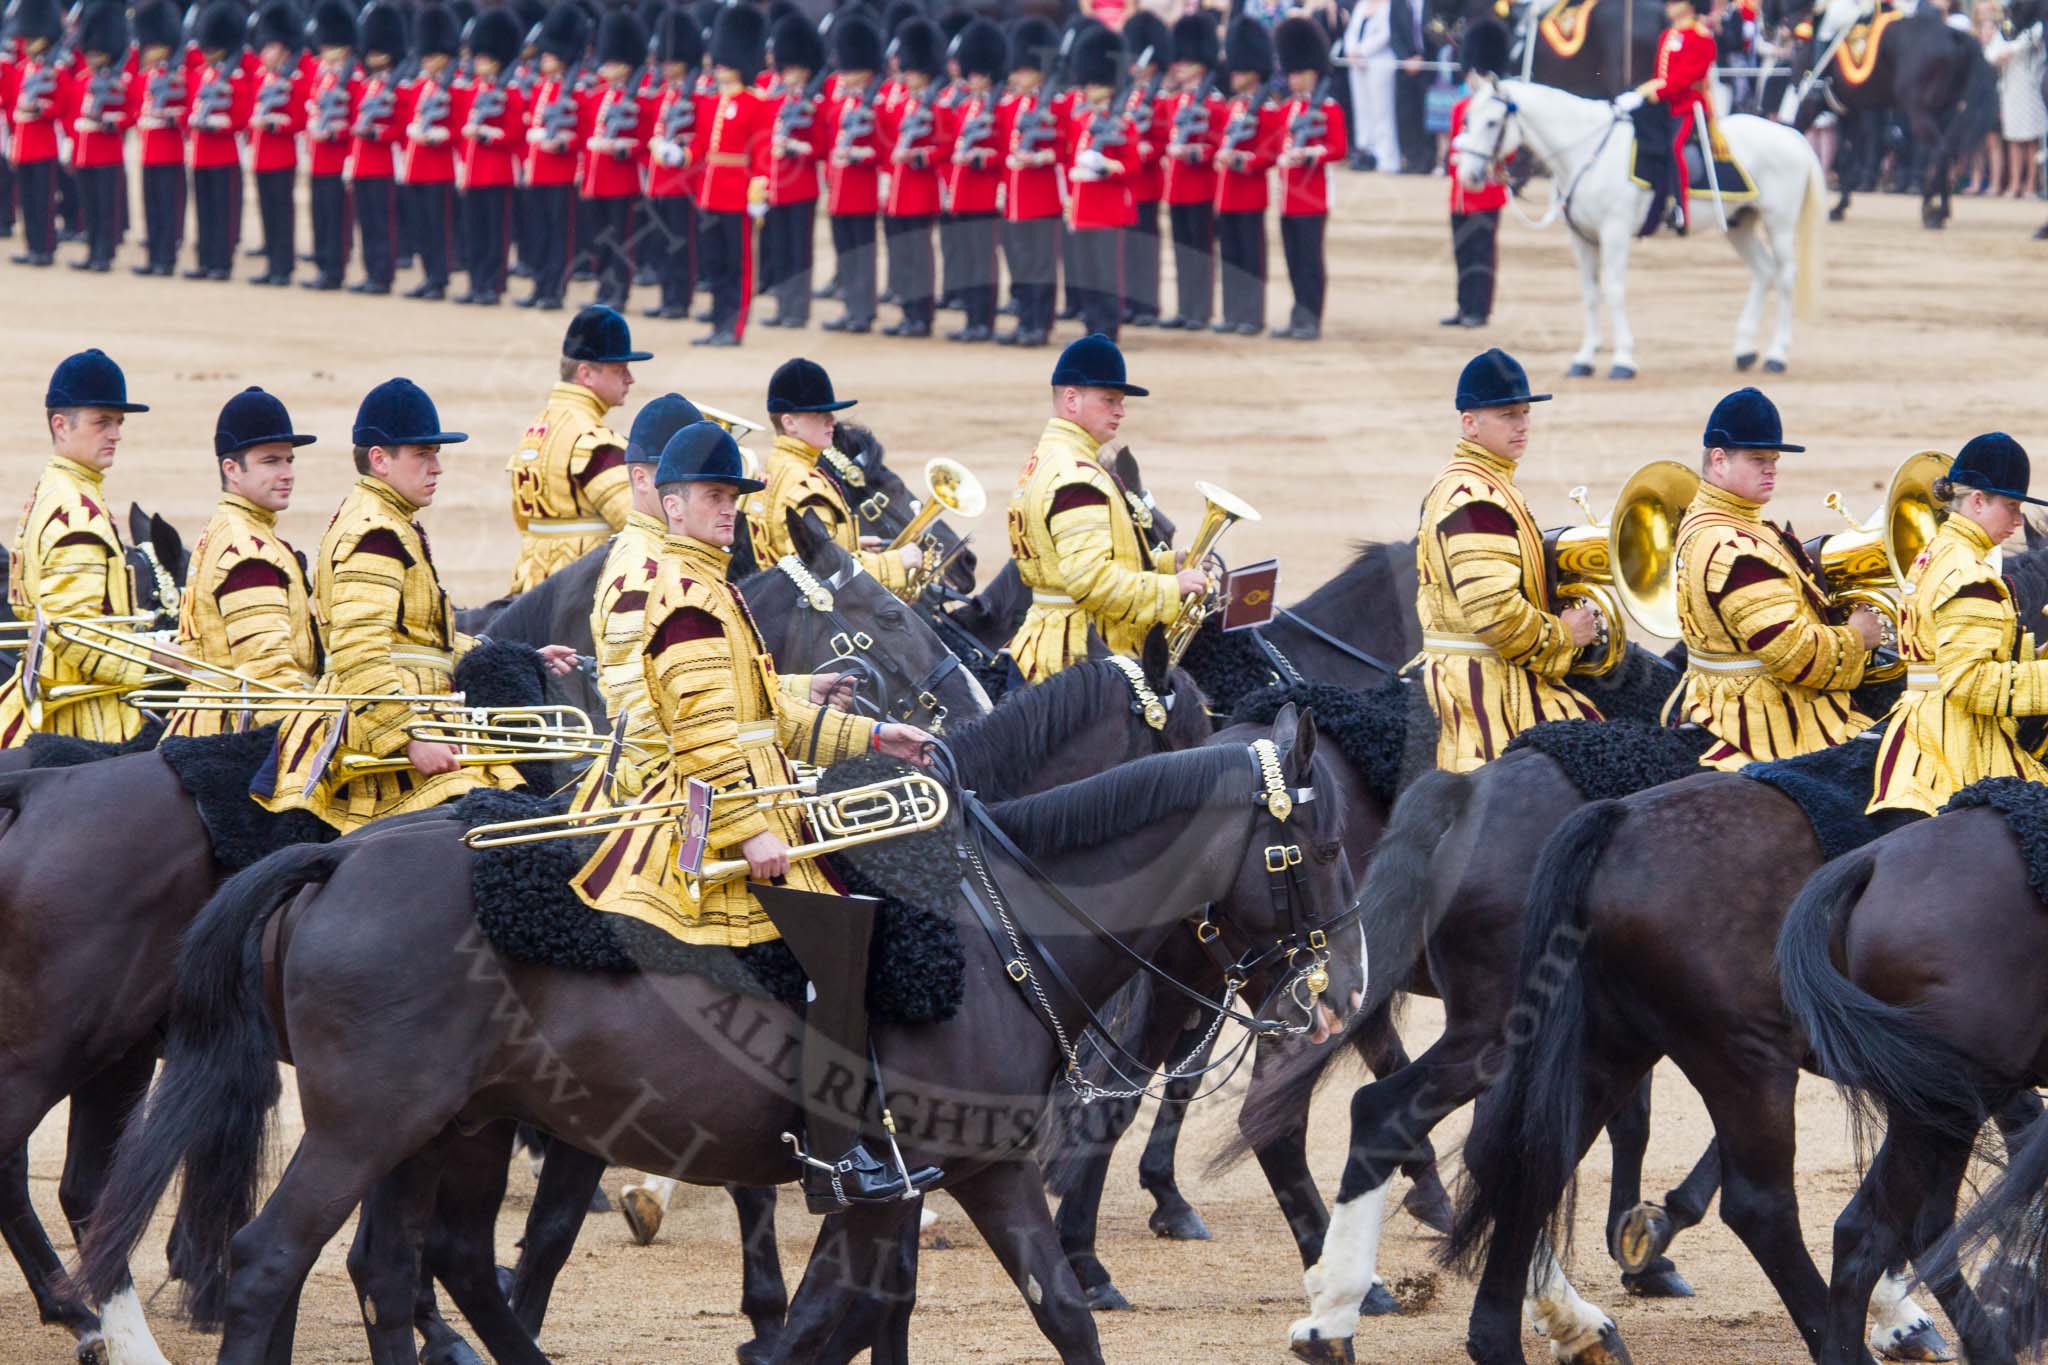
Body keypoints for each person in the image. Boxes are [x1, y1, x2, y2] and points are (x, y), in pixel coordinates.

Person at [570, 418, 940, 1213]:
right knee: (837, 945)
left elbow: (769, 714)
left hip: (759, 800)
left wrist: (874, 733)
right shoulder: (690, 597)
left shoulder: (715, 584)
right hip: (716, 822)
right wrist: (753, 829)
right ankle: (835, 1158)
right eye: (712, 495)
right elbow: (704, 739)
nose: (728, 508)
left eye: (734, 496)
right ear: (669, 503)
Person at [252, 378, 578, 832]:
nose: (437, 467)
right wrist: (409, 736)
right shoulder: (376, 534)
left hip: (417, 709)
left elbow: (422, 644)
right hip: (391, 729)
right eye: (423, 454)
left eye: (436, 453)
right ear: (380, 460)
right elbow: (357, 651)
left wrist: (518, 659)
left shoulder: (390, 522)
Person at [1671, 388, 1879, 769]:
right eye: (1757, 459)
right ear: (1719, 460)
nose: (1771, 469)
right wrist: (1857, 637)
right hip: (1765, 716)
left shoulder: (1717, 522)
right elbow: (1791, 653)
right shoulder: (1734, 545)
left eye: (1774, 460)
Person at [1416, 349, 1602, 772]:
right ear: (1470, 423)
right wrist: (1564, 634)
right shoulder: (1476, 497)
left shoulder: (1482, 483)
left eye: (1524, 413)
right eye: (1507, 415)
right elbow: (1497, 615)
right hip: (1487, 688)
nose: (1522, 425)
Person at [1005, 335, 1205, 681]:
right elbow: (1092, 582)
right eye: (1109, 400)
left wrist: (1163, 564)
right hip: (1079, 661)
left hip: (1050, 647)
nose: (1121, 412)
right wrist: (1172, 589)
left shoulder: (1049, 461)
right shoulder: (1077, 478)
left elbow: (1072, 563)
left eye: (1121, 402)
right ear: (1071, 399)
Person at [1869, 434, 2048, 815]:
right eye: (2011, 506)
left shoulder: (1933, 554)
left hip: (1919, 733)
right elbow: (1968, 682)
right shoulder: (1970, 575)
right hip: (1960, 749)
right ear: (1978, 501)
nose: (2018, 521)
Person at [0, 351, 154, 747]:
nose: (116, 433)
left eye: (118, 422)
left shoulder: (54, 492)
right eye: (102, 422)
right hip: (82, 720)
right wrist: (154, 661)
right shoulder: (75, 510)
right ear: (60, 425)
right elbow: (75, 633)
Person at [570, 392, 703, 811]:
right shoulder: (641, 570)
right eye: (677, 473)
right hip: (659, 791)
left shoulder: (675, 552)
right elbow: (637, 707)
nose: (692, 487)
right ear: (642, 479)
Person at [163, 388, 321, 738]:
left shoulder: (235, 530)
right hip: (231, 731)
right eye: (271, 461)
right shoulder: (247, 549)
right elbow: (269, 676)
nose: (287, 473)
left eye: (289, 460)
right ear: (232, 469)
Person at [506, 305, 645, 593]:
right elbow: (639, 523)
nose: (630, 378)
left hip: (529, 585)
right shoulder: (593, 440)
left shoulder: (536, 430)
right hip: (579, 592)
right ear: (586, 374)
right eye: (619, 369)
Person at [760, 358, 921, 597]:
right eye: (819, 414)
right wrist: (894, 563)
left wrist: (850, 545)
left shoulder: (779, 465)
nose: (832, 421)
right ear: (789, 422)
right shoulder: (805, 484)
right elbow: (822, 571)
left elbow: (801, 547)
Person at [692, 5, 774, 348]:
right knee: (713, 262)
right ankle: (717, 321)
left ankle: (733, 326)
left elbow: (763, 152)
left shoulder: (756, 103)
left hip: (738, 191)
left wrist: (758, 192)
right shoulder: (709, 102)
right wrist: (674, 154)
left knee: (736, 264)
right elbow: (699, 146)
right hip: (709, 191)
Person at [1615, 0, 1715, 235]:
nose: (1669, 5)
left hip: (1687, 105)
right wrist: (1639, 92)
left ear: (1689, 6)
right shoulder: (1669, 34)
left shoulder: (1701, 37)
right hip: (1664, 104)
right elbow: (1660, 75)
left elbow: (1686, 77)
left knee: (1674, 147)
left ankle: (1680, 209)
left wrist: (1654, 93)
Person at [1063, 27, 1137, 343]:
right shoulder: (1080, 120)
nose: (1091, 88)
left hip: (1107, 209)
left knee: (1106, 275)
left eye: (1097, 83)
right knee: (1087, 273)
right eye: (1089, 83)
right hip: (1081, 207)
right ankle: (1092, 327)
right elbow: (1070, 160)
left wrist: (1105, 167)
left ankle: (1108, 329)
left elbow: (1132, 165)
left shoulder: (1122, 122)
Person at [1273, 16, 1344, 340]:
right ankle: (1297, 313)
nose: (1293, 79)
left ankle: (1311, 317)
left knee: (1310, 262)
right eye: (1291, 73)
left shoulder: (1329, 109)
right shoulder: (1288, 110)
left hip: (1312, 196)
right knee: (1293, 260)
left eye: (1298, 73)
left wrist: (1312, 154)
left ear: (1313, 72)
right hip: (1287, 198)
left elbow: (1338, 148)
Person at [996, 18, 1064, 347]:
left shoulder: (1056, 104)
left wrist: (1042, 158)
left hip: (1042, 197)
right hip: (1013, 198)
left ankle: (1040, 324)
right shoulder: (1008, 106)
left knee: (1041, 265)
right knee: (1020, 265)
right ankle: (1024, 320)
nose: (1019, 76)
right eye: (1017, 70)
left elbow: (1066, 146)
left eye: (1026, 70)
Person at [938, 17, 1006, 342]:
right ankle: (971, 318)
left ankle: (984, 320)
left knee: (983, 261)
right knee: (967, 261)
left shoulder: (999, 110)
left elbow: (1004, 152)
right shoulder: (965, 108)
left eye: (981, 74)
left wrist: (982, 158)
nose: (976, 79)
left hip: (984, 194)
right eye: (973, 73)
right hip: (962, 194)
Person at [880, 18, 946, 339]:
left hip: (920, 191)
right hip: (896, 191)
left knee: (920, 257)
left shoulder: (936, 105)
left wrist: (919, 156)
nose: (908, 76)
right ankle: (909, 312)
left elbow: (945, 146)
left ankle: (923, 316)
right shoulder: (904, 103)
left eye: (913, 71)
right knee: (903, 257)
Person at [518, 3, 587, 311]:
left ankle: (554, 290)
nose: (544, 58)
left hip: (560, 171)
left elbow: (581, 133)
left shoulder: (575, 89)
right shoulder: (542, 87)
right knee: (538, 233)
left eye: (550, 54)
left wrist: (560, 143)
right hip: (536, 171)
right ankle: (539, 284)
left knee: (559, 235)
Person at [579, 10, 649, 311]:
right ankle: (603, 287)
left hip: (622, 180)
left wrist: (621, 147)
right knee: (601, 239)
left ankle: (619, 291)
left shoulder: (638, 99)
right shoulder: (596, 96)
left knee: (621, 240)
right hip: (595, 180)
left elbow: (643, 140)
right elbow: (584, 136)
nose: (608, 68)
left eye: (614, 63)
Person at [1214, 19, 1280, 337]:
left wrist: (1242, 160)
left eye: (1240, 70)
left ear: (1254, 72)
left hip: (1250, 192)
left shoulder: (1266, 109)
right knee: (1230, 258)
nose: (1234, 74)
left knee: (1251, 258)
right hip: (1227, 193)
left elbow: (1269, 153)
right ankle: (1232, 312)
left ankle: (1252, 315)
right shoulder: (1233, 107)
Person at [454, 9, 526, 306]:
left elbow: (514, 132)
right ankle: (476, 283)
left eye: (484, 57)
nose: (478, 62)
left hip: (497, 172)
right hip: (473, 172)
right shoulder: (473, 91)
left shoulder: (509, 92)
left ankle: (493, 286)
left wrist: (485, 134)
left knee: (496, 234)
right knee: (475, 233)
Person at [821, 14, 886, 334]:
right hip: (838, 190)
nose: (844, 76)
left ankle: (864, 310)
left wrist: (861, 155)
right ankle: (850, 306)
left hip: (861, 189)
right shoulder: (842, 101)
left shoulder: (876, 102)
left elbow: (883, 146)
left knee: (862, 253)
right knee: (845, 253)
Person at [1160, 14, 1223, 331]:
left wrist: (1196, 153)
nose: (1179, 67)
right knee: (1182, 251)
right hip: (1176, 187)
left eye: (1186, 62)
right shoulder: (1176, 101)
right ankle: (1186, 307)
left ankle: (1201, 310)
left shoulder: (1213, 104)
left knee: (1200, 251)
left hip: (1200, 187)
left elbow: (1217, 144)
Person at [1444, 20, 1508, 328]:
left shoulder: (1494, 108)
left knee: (1481, 255)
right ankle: (1463, 305)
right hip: (1459, 195)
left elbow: (1504, 150)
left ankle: (1479, 309)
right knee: (1463, 253)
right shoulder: (1460, 108)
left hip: (1485, 194)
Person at [644, 8, 706, 322]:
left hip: (682, 181)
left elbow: (700, 137)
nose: (667, 67)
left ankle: (680, 299)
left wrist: (681, 154)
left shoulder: (695, 93)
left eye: (673, 61)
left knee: (681, 243)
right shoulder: (665, 93)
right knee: (662, 243)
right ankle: (667, 294)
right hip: (659, 180)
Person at [397, 5, 461, 301]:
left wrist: (440, 136)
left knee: (438, 227)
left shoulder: (455, 86)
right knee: (421, 228)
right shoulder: (420, 85)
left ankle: (439, 277)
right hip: (415, 167)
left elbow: (459, 125)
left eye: (432, 55)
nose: (427, 61)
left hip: (439, 168)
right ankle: (428, 275)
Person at [246, 3, 308, 288]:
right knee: (267, 211)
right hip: (260, 157)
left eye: (270, 47)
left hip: (281, 156)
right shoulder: (262, 77)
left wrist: (272, 123)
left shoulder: (292, 79)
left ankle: (283, 266)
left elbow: (297, 119)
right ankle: (272, 261)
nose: (264, 53)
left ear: (284, 49)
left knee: (282, 213)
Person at [68, 4, 133, 275]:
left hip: (106, 153)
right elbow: (71, 114)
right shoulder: (82, 79)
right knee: (89, 206)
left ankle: (104, 253)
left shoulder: (119, 81)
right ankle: (92, 249)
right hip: (84, 152)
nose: (93, 56)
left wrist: (110, 123)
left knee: (106, 206)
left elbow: (130, 113)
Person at [347, 1, 406, 296]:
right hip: (361, 164)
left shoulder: (396, 86)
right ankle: (371, 271)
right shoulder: (363, 85)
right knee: (366, 223)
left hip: (382, 163)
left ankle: (383, 275)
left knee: (383, 223)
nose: (373, 57)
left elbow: (400, 127)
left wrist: (378, 133)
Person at [1117, 12, 1171, 329]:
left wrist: (1141, 151)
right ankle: (1130, 301)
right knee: (1129, 246)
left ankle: (1147, 304)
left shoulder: (1159, 100)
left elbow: (1163, 139)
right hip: (1127, 182)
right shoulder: (1129, 96)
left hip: (1147, 182)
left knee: (1145, 246)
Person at [3, 0, 68, 268]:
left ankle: (45, 247)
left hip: (44, 144)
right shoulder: (22, 70)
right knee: (27, 201)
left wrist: (43, 109)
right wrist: (12, 144)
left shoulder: (54, 70)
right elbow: (12, 107)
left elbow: (62, 104)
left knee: (43, 200)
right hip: (24, 143)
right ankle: (32, 246)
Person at [301, 1, 360, 291]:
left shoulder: (352, 76)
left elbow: (355, 116)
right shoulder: (322, 73)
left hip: (338, 156)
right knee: (320, 214)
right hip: (318, 157)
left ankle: (334, 268)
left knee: (337, 218)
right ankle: (323, 262)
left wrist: (336, 132)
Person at [130, 0, 188, 277]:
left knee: (167, 207)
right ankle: (153, 255)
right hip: (148, 150)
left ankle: (166, 258)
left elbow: (185, 110)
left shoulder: (176, 77)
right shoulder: (146, 76)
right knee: (151, 206)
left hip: (169, 151)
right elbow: (134, 106)